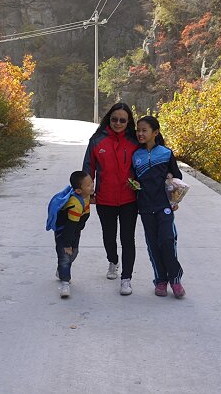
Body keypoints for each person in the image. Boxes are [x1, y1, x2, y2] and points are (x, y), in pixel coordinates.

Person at [82, 103, 139, 296]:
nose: (118, 123)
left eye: (123, 120)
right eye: (114, 119)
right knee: (109, 236)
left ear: (129, 121)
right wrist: (86, 194)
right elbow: (88, 168)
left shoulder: (134, 141)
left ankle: (126, 278)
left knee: (127, 238)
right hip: (105, 198)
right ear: (109, 118)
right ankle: (113, 261)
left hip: (129, 199)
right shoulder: (97, 140)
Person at [131, 115, 185, 298]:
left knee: (167, 241)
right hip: (145, 207)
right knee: (153, 245)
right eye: (138, 130)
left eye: (144, 130)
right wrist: (133, 184)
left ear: (155, 132)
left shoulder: (166, 153)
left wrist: (174, 199)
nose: (140, 133)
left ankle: (175, 280)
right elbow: (133, 179)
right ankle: (160, 281)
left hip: (164, 206)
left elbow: (178, 178)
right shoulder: (135, 155)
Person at [54, 171, 94, 298]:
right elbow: (70, 227)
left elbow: (83, 218)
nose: (92, 186)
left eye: (92, 182)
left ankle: (61, 270)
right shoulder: (75, 204)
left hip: (75, 230)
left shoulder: (86, 196)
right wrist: (66, 244)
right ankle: (65, 283)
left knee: (74, 252)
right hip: (64, 231)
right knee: (66, 255)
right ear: (78, 191)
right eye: (88, 185)